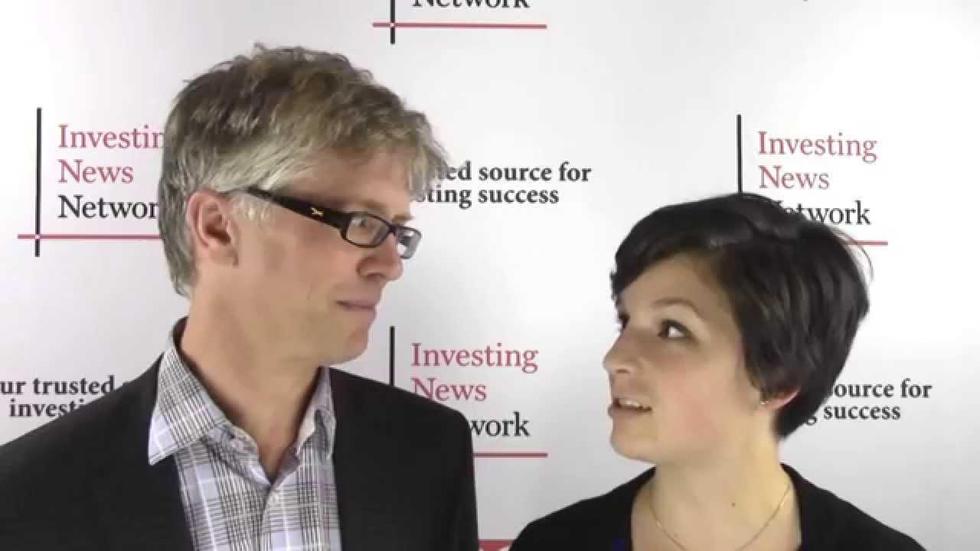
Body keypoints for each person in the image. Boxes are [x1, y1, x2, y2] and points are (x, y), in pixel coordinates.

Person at [0, 45, 478, 551]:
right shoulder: (26, 498)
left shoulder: (429, 451)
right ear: (217, 227)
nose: (389, 265)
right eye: (359, 221)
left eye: (395, 230)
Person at [511, 193, 923, 550]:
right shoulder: (552, 543)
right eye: (625, 321)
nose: (615, 357)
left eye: (673, 329)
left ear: (778, 379)